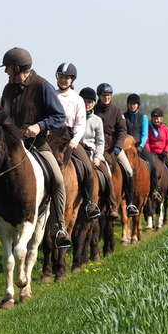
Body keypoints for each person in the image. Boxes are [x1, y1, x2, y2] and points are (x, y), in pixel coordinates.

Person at [0, 47, 72, 248]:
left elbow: (59, 116)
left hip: (37, 144)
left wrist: (39, 126)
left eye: (8, 68)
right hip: (10, 146)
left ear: (18, 68)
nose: (5, 72)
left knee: (58, 179)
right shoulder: (8, 88)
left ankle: (59, 227)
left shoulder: (43, 86)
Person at [55, 63, 100, 219]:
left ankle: (89, 203)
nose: (63, 80)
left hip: (70, 137)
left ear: (72, 79)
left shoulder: (77, 99)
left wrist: (75, 140)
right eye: (61, 77)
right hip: (51, 137)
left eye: (66, 78)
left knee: (87, 167)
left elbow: (80, 123)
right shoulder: (51, 96)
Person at [79, 87, 128, 220]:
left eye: (89, 102)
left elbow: (120, 131)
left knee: (123, 171)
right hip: (78, 149)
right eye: (84, 101)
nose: (87, 104)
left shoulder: (107, 115)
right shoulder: (78, 117)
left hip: (106, 148)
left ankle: (116, 205)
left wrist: (116, 147)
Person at [93, 83, 140, 216]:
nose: (106, 97)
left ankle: (130, 203)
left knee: (128, 170)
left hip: (113, 147)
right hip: (97, 147)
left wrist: (119, 147)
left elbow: (122, 130)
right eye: (103, 95)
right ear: (99, 96)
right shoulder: (94, 110)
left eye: (108, 95)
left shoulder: (117, 110)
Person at [122, 92, 162, 201]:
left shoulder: (143, 117)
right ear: (128, 105)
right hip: (125, 147)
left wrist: (140, 146)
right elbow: (122, 131)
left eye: (135, 103)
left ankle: (154, 191)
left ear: (138, 105)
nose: (132, 105)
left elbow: (145, 134)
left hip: (139, 146)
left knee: (153, 166)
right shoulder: (123, 116)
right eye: (130, 103)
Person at [145, 107, 168, 198]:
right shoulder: (148, 128)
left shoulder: (166, 129)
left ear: (161, 118)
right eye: (154, 118)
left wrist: (165, 151)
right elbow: (147, 141)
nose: (156, 120)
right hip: (152, 155)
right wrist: (149, 152)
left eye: (158, 118)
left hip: (163, 154)